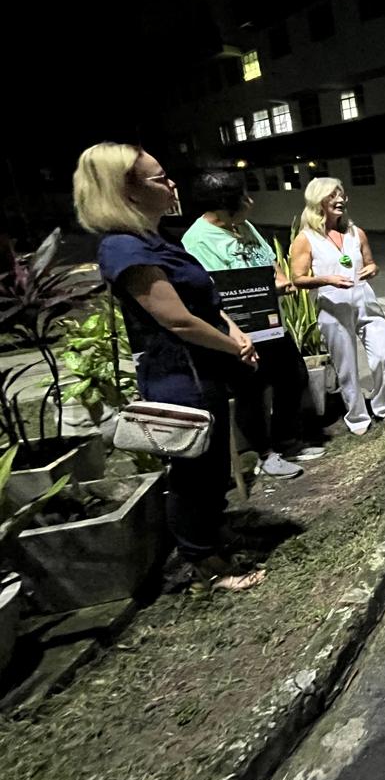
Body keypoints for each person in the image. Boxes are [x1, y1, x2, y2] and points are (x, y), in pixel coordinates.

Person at [73, 143, 264, 592]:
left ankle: (214, 534)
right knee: (193, 473)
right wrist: (233, 347)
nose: (172, 184)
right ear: (127, 191)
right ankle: (204, 562)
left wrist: (235, 332)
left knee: (213, 467)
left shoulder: (153, 238)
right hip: (180, 376)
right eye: (160, 178)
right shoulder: (124, 248)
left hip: (203, 368)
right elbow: (177, 320)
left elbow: (203, 302)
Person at [182, 171, 325, 478]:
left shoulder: (243, 226)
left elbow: (270, 264)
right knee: (251, 390)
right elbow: (210, 294)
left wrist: (280, 281)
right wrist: (235, 336)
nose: (250, 202)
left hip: (269, 324)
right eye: (244, 198)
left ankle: (288, 441)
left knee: (293, 376)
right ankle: (265, 454)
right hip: (239, 331)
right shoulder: (197, 241)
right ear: (224, 205)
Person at [290, 178, 385, 432]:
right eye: (332, 196)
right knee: (346, 365)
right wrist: (327, 279)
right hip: (332, 304)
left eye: (342, 195)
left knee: (384, 354)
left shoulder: (355, 232)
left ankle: (382, 406)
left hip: (365, 300)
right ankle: (357, 417)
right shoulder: (306, 239)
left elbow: (371, 264)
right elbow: (298, 278)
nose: (340, 200)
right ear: (318, 201)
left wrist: (372, 269)